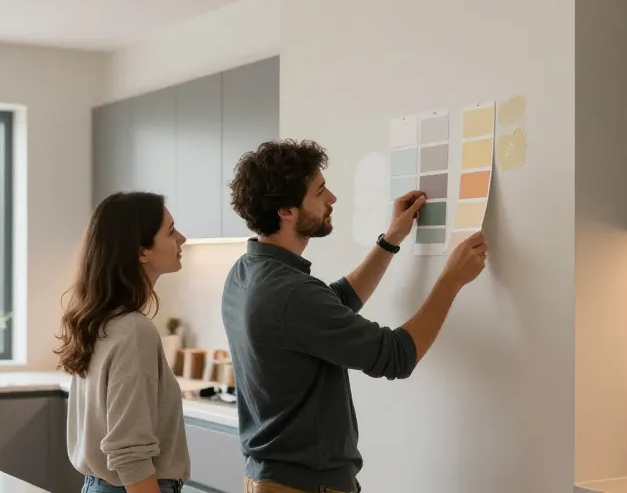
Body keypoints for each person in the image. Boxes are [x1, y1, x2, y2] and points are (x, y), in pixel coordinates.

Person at [222, 139, 488, 493]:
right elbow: (396, 356)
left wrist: (390, 240)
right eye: (319, 192)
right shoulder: (290, 293)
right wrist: (450, 281)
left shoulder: (247, 272)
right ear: (286, 211)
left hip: (272, 480)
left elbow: (333, 303)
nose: (332, 198)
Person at [56, 191, 190, 493]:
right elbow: (129, 452)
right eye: (170, 231)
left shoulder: (102, 322)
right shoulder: (134, 330)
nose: (181, 238)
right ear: (142, 251)